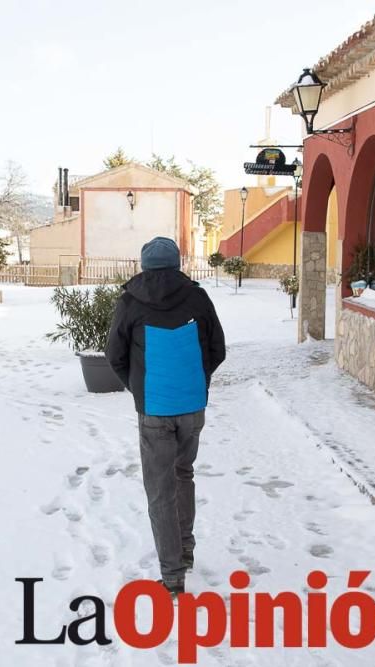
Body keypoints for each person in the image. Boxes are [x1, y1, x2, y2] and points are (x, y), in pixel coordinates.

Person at [107, 237, 226, 595]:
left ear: (144, 265)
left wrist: (140, 389)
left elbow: (115, 355)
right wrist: (197, 382)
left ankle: (173, 574)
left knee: (160, 490)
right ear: (177, 263)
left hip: (155, 410)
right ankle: (185, 550)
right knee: (183, 473)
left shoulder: (130, 302)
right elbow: (217, 349)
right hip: (192, 408)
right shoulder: (198, 298)